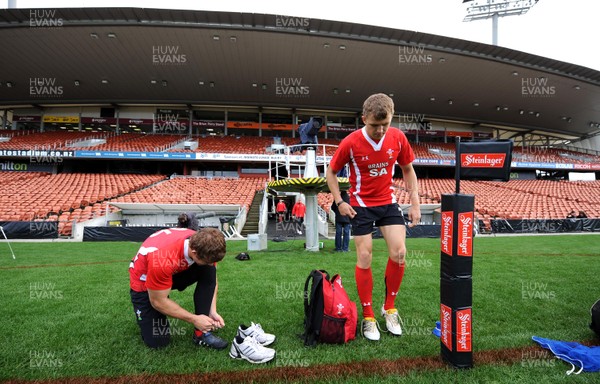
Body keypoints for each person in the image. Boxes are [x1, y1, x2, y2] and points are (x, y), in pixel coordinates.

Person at [325, 93, 421, 341]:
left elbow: (408, 169)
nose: (380, 130)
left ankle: (389, 308)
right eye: (374, 125)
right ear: (363, 117)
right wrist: (340, 202)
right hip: (361, 205)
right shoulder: (351, 142)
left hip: (388, 202)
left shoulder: (398, 137)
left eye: (385, 125)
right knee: (365, 256)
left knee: (399, 253)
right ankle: (368, 316)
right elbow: (331, 172)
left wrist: (415, 203)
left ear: (392, 119)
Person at [129, 227, 228, 349]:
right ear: (194, 252)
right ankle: (145, 318)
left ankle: (201, 334)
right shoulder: (161, 259)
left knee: (208, 270)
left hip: (174, 268)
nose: (210, 264)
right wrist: (194, 319)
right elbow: (158, 302)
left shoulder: (204, 243)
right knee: (158, 341)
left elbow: (212, 280)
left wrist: (211, 311)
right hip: (145, 281)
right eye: (207, 261)